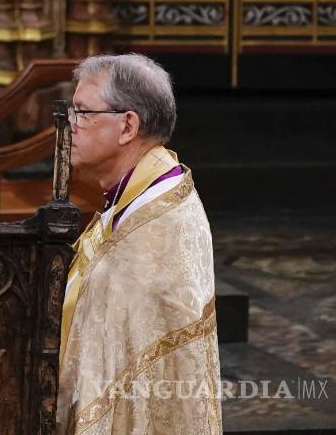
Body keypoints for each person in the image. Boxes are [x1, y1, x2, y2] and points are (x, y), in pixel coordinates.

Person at [57, 54, 221, 434]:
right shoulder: (136, 190)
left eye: (82, 112)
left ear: (127, 125)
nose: (70, 125)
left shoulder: (158, 225)